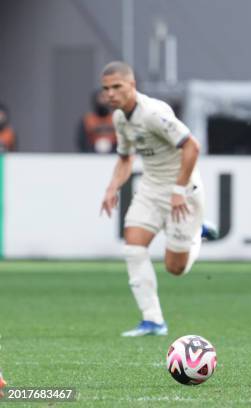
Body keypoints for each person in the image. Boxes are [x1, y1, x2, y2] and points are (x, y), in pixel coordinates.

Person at [99, 61, 216, 337]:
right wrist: (112, 187)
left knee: (175, 268)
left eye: (117, 87)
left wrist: (178, 189)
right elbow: (126, 158)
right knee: (133, 247)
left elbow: (192, 146)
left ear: (132, 85)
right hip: (151, 189)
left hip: (182, 191)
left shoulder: (153, 113)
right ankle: (153, 321)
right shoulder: (119, 118)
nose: (111, 94)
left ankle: (197, 234)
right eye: (107, 89)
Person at [77, 89, 117, 153]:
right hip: (92, 156)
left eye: (105, 98)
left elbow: (123, 140)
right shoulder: (87, 120)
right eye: (101, 98)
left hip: (113, 155)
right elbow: (81, 141)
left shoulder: (116, 119)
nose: (103, 101)